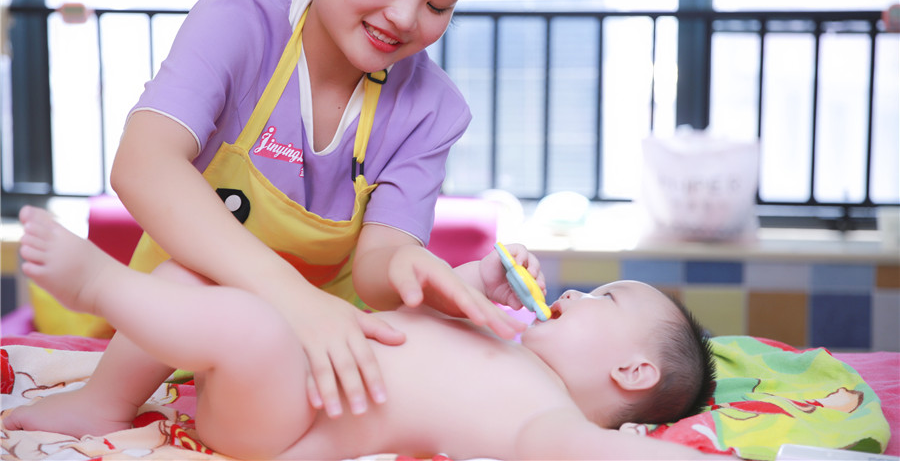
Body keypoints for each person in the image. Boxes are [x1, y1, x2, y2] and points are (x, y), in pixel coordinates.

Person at [9, 0, 539, 437]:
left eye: (438, 6)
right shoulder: (238, 23)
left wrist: (411, 266)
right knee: (191, 278)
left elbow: (376, 270)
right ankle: (104, 400)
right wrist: (294, 299)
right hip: (171, 334)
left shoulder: (433, 108)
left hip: (312, 357)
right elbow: (143, 166)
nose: (405, 18)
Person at [11, 206, 718, 460]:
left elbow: (595, 453)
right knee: (191, 274)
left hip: (287, 419)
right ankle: (104, 399)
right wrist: (480, 280)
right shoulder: (508, 339)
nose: (573, 294)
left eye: (603, 299)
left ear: (632, 372)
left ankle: (97, 285)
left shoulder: (544, 416)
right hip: (294, 367)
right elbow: (428, 308)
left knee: (251, 328)